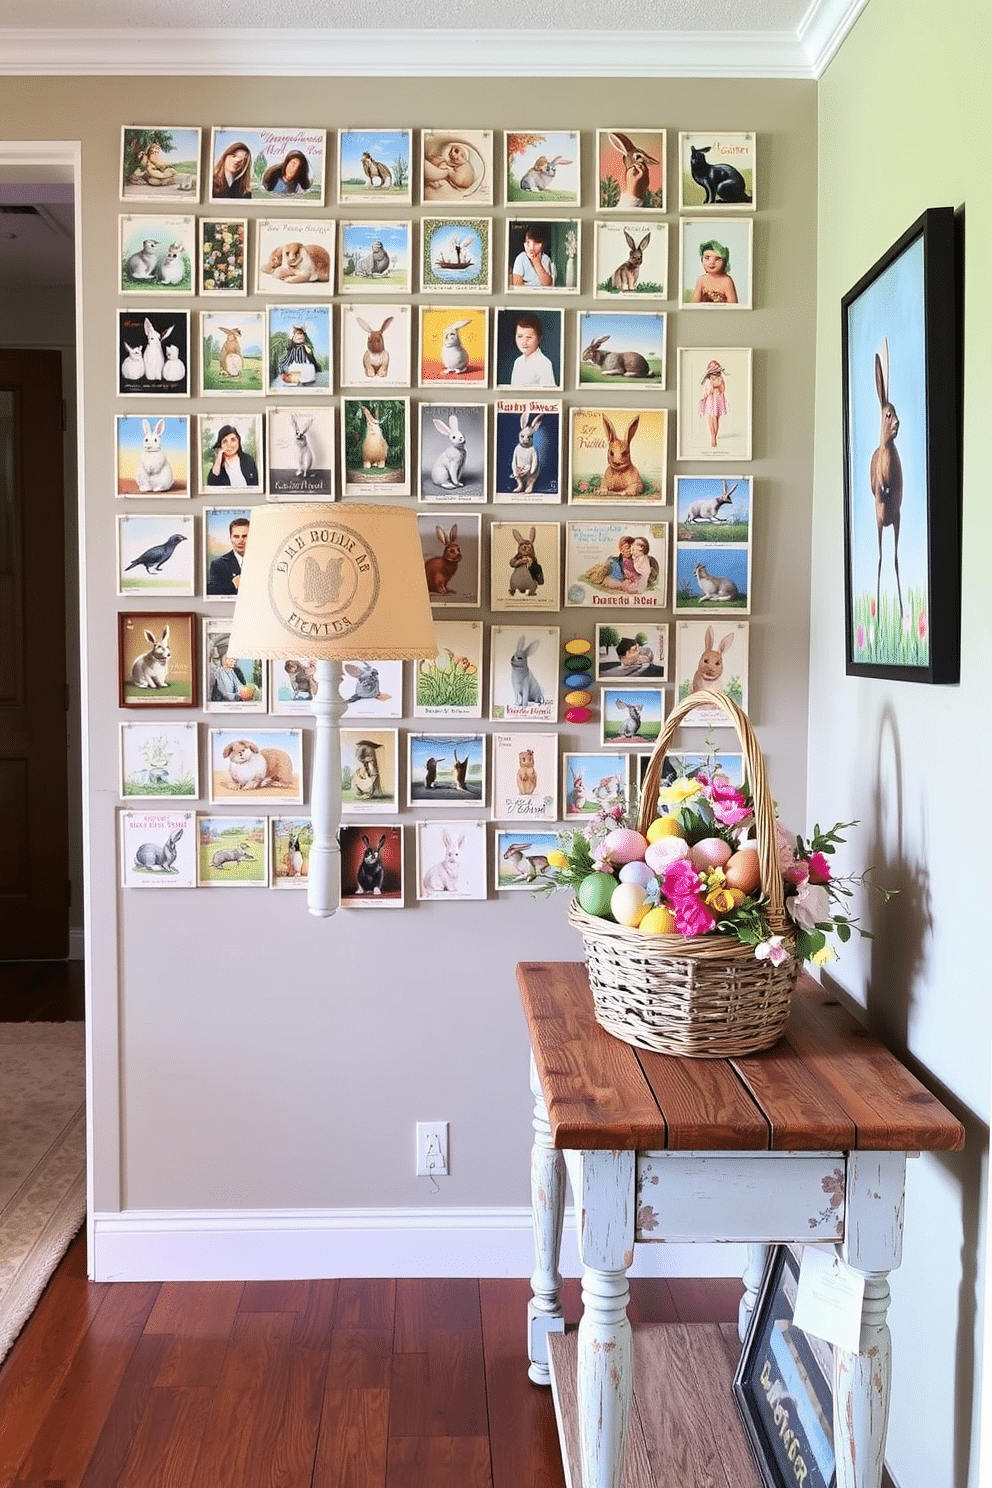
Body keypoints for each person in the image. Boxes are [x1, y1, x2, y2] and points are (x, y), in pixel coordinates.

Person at [509, 315, 557, 388]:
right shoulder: (518, 362)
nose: (524, 342)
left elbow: (549, 394)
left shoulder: (544, 363)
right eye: (520, 336)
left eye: (529, 337)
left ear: (539, 338)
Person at [207, 517, 250, 596]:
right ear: (231, 538)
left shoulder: (263, 562)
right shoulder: (218, 564)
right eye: (236, 536)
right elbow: (211, 591)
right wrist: (233, 585)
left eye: (244, 536)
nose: (240, 541)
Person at [690, 239, 738, 304]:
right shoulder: (701, 280)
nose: (711, 262)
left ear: (724, 262)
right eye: (707, 258)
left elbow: (733, 304)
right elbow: (695, 303)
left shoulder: (727, 280)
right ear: (702, 260)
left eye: (717, 259)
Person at [698, 359, 728, 448]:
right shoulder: (707, 378)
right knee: (709, 417)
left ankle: (714, 436)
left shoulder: (720, 378)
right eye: (711, 365)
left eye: (714, 365)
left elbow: (722, 389)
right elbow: (706, 388)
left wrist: (717, 385)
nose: (713, 366)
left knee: (715, 418)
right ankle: (712, 436)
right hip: (710, 399)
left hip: (717, 398)